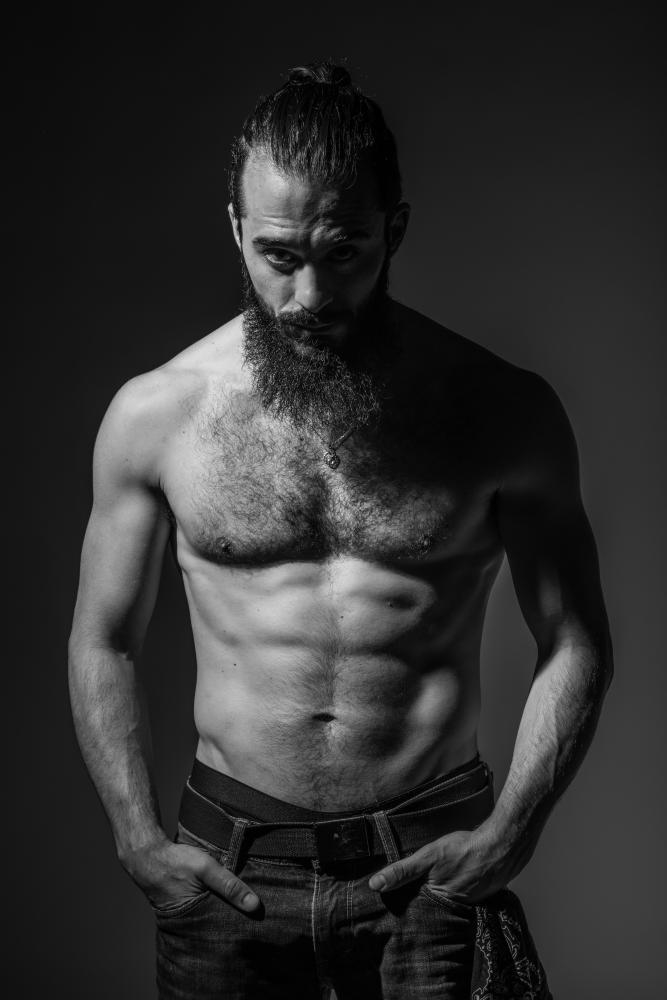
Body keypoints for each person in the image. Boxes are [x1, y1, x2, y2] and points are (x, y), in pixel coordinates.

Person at [68, 61, 613, 999]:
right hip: (227, 875)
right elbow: (102, 638)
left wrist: (513, 831)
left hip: (429, 872)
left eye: (343, 251)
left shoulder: (502, 412)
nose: (309, 293)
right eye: (278, 256)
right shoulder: (156, 416)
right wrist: (136, 838)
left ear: (393, 229)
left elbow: (574, 640)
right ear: (236, 229)